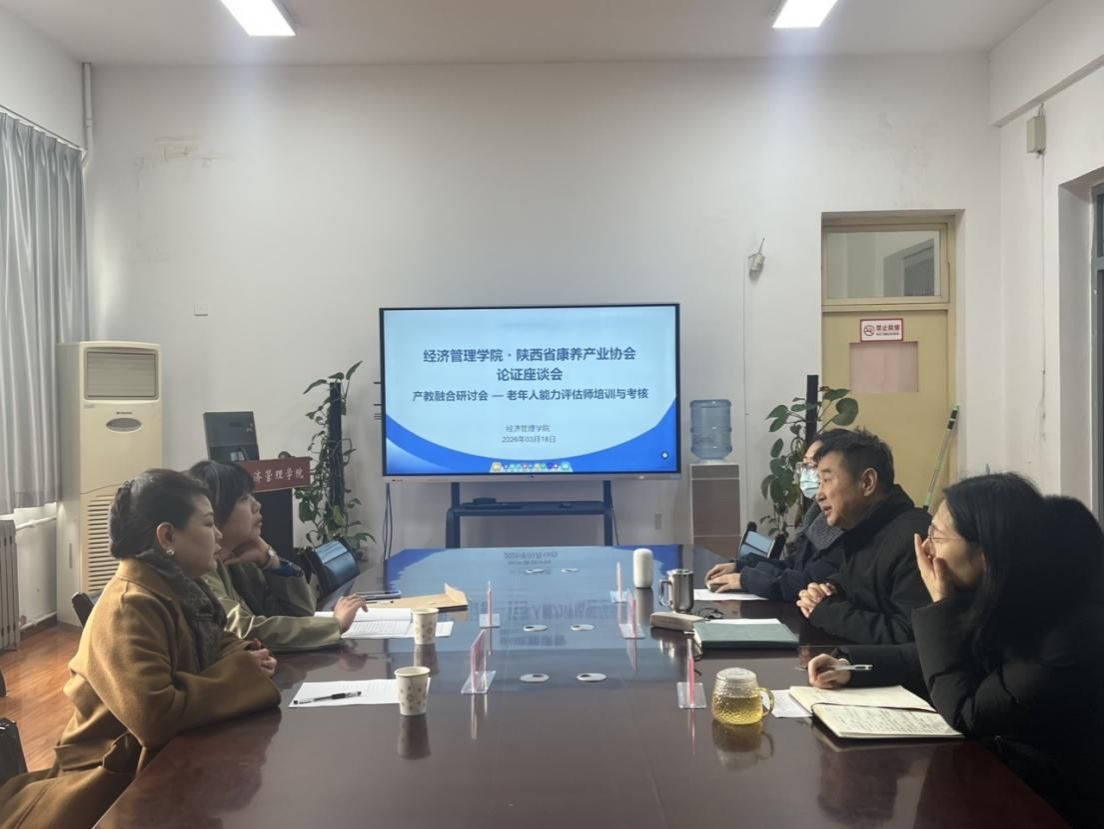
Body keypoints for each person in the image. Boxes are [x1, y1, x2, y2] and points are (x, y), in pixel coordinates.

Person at [807, 476, 1104, 827]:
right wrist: (850, 665)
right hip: (995, 778)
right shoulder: (998, 594)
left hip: (1050, 802)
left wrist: (940, 605)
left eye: (937, 537)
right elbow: (946, 658)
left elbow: (967, 712)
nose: (925, 548)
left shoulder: (1064, 630)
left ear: (986, 552)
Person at [0, 470, 280, 829]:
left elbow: (220, 643)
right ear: (168, 536)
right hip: (107, 784)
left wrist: (243, 655)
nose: (219, 535)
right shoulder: (129, 605)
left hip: (158, 764)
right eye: (209, 524)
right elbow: (154, 716)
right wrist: (242, 672)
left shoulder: (182, 591)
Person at [188, 460, 366, 651]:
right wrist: (333, 625)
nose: (257, 505)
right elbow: (242, 631)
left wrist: (271, 562)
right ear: (214, 511)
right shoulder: (198, 568)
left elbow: (300, 613)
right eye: (244, 499)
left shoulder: (240, 557)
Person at [796, 429, 930, 643]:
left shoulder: (913, 539)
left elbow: (911, 638)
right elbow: (854, 584)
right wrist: (829, 589)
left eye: (827, 480)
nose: (819, 495)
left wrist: (828, 612)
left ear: (867, 482)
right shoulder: (864, 530)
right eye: (819, 482)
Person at [706, 435, 844, 600]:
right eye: (805, 465)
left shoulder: (843, 527)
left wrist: (746, 579)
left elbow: (808, 585)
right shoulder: (816, 516)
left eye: (814, 467)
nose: (808, 473)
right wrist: (741, 567)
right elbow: (793, 567)